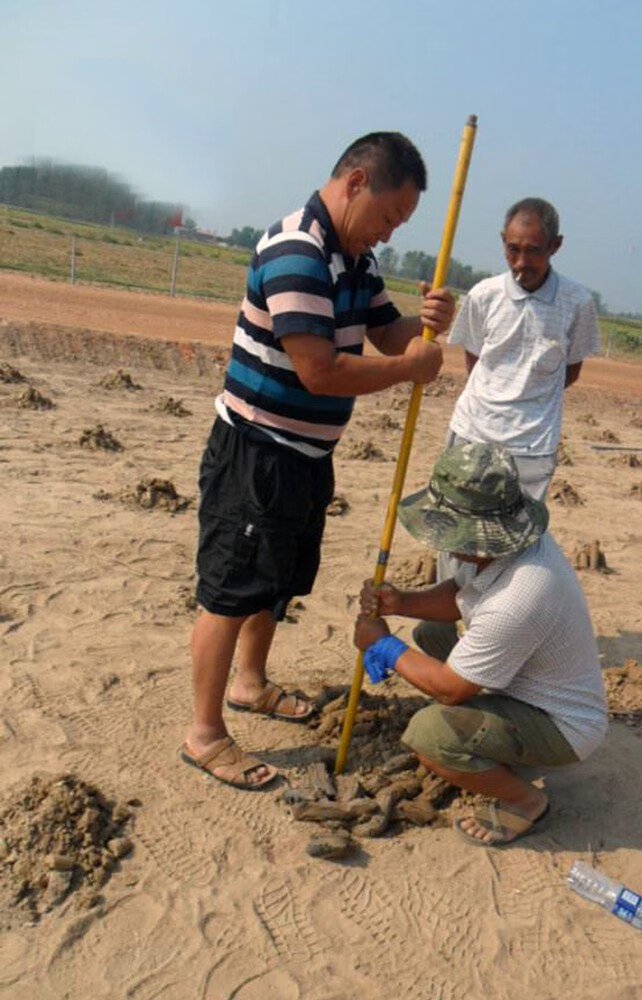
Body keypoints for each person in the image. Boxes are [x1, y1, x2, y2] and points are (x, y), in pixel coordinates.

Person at [181, 132, 455, 790]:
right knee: (229, 589)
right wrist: (406, 369)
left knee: (273, 580)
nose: (389, 234)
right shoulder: (296, 249)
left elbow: (387, 333)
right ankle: (205, 732)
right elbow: (318, 370)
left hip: (304, 457)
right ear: (357, 182)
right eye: (390, 216)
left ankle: (250, 684)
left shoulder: (354, 260)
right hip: (257, 453)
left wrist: (427, 328)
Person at [354, 441, 607, 848]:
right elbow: (459, 594)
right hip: (527, 688)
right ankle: (492, 737)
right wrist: (400, 603)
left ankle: (526, 801)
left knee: (431, 734)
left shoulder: (519, 596)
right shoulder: (508, 548)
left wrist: (383, 645)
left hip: (563, 725)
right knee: (430, 634)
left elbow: (451, 689)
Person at [446, 197, 600, 501]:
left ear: (555, 246)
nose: (521, 262)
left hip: (533, 448)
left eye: (533, 251)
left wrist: (528, 403)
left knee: (514, 541)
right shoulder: (482, 295)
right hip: (472, 433)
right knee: (458, 533)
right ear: (503, 241)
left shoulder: (577, 303)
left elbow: (570, 372)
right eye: (513, 249)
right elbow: (474, 363)